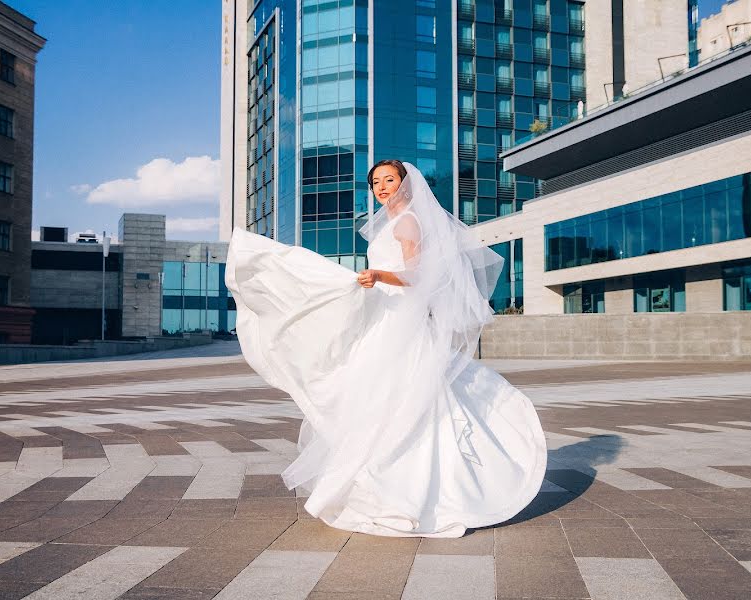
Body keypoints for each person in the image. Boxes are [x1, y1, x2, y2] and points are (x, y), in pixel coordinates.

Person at [225, 160, 546, 537]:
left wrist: (379, 275)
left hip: (401, 323)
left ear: (406, 184)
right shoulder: (390, 224)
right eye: (376, 181)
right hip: (384, 316)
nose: (381, 186)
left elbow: (420, 275)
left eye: (389, 180)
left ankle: (408, 490)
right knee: (376, 398)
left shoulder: (409, 221)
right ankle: (377, 484)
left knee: (396, 400)